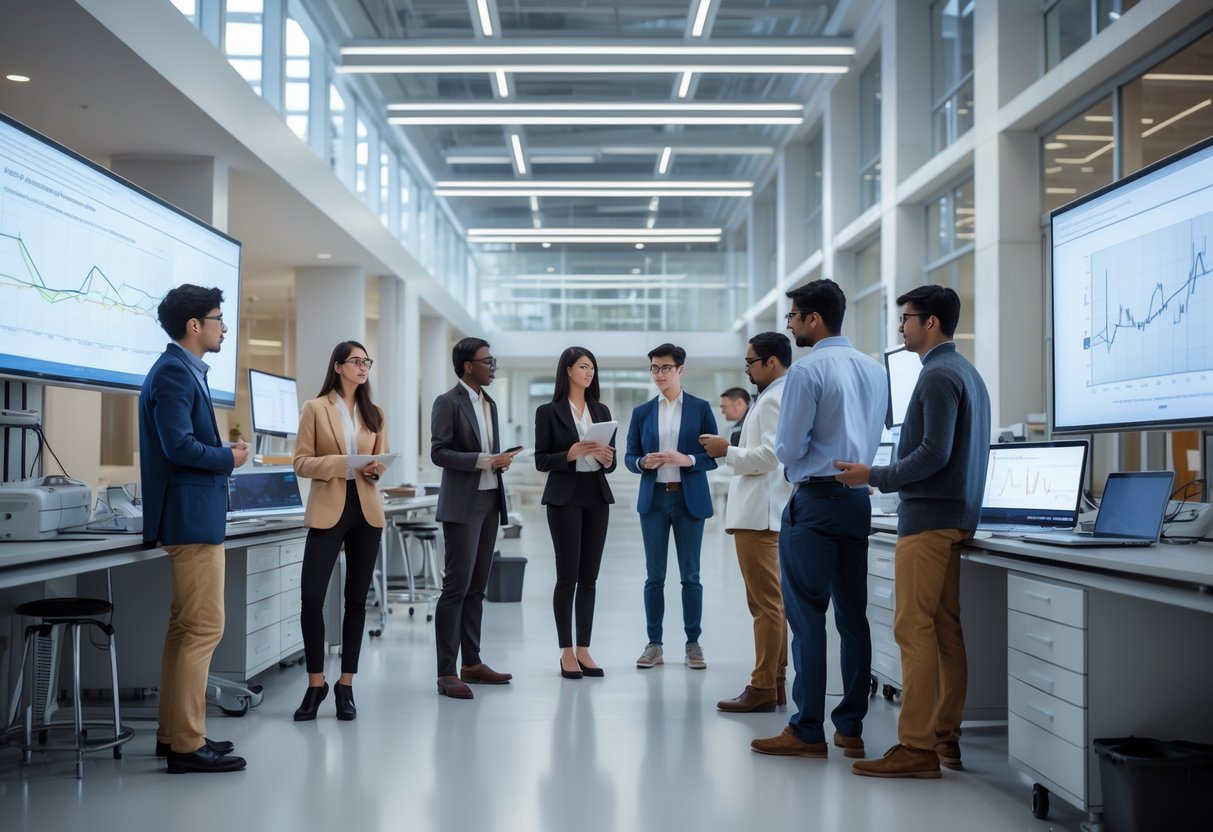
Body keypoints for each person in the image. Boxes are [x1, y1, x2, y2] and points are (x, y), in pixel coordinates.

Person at [837, 285, 991, 779]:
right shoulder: (966, 372)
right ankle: (945, 739)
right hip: (956, 517)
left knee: (913, 628)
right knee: (945, 628)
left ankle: (917, 747)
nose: (900, 328)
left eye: (906, 319)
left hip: (928, 521)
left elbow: (933, 454)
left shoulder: (937, 375)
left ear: (930, 323)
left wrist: (873, 477)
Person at [751, 279, 887, 762]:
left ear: (813, 319)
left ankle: (807, 730)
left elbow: (787, 448)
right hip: (857, 500)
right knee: (853, 617)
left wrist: (802, 459)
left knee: (807, 619)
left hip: (814, 503)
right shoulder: (875, 370)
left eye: (793, 316)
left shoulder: (807, 373)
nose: (789, 324)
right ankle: (850, 728)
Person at [138, 284, 248, 774]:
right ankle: (186, 744)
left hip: (192, 517)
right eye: (219, 319)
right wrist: (230, 457)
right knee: (205, 628)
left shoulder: (181, 371)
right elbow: (178, 446)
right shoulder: (174, 374)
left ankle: (177, 734)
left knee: (185, 629)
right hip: (191, 521)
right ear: (194, 326)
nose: (225, 327)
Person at [291, 341, 389, 722]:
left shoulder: (375, 413)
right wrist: (342, 462)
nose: (363, 367)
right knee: (312, 596)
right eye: (356, 361)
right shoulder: (315, 408)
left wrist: (376, 469)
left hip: (366, 509)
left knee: (356, 601)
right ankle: (316, 683)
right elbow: (301, 462)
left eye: (367, 361)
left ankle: (346, 684)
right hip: (328, 507)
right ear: (338, 366)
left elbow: (382, 459)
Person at [700, 333, 793, 713]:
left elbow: (772, 455)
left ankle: (763, 687)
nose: (748, 370)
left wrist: (728, 451)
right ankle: (775, 682)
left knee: (765, 605)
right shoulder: (770, 396)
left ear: (771, 362)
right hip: (759, 512)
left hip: (760, 515)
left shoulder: (774, 398)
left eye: (751, 363)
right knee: (771, 604)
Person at [431, 337, 520, 699]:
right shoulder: (447, 402)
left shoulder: (491, 404)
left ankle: (472, 662)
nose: (492, 366)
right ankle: (445, 672)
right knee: (456, 587)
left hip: (488, 501)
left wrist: (499, 461)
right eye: (487, 361)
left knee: (477, 589)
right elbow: (439, 453)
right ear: (468, 366)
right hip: (461, 505)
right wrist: (484, 460)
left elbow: (488, 453)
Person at [624, 343, 718, 670]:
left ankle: (693, 643)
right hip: (653, 499)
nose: (659, 374)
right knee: (655, 577)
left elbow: (714, 456)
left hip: (688, 498)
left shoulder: (701, 408)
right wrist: (642, 462)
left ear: (680, 370)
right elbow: (629, 457)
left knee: (691, 576)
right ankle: (654, 644)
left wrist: (687, 459)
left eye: (665, 368)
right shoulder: (642, 413)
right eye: (654, 368)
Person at [534, 347, 617, 679]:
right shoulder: (548, 411)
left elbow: (610, 462)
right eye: (584, 367)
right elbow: (542, 459)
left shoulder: (601, 409)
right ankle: (566, 651)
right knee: (567, 576)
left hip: (596, 495)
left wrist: (608, 460)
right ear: (568, 370)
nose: (589, 373)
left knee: (590, 578)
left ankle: (584, 648)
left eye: (593, 368)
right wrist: (569, 453)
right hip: (564, 497)